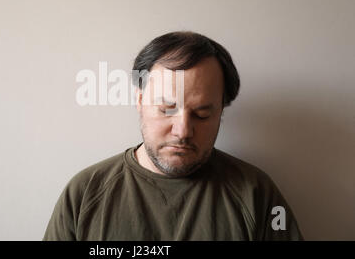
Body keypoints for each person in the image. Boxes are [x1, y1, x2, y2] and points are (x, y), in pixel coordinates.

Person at [43, 31, 303, 240]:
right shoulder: (85, 193)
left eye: (202, 114)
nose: (183, 131)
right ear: (140, 100)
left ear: (221, 111)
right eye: (167, 109)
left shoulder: (255, 194)